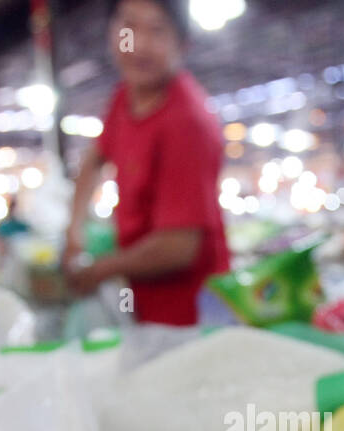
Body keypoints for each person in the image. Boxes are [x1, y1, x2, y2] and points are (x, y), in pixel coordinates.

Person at [63, 0, 230, 325]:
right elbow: (95, 157)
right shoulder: (125, 97)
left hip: (192, 314)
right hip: (143, 303)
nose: (138, 44)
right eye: (128, 28)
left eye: (157, 30)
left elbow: (179, 248)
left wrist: (100, 270)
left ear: (182, 44)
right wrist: (74, 233)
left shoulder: (187, 122)